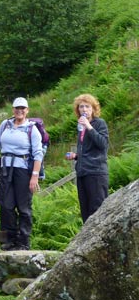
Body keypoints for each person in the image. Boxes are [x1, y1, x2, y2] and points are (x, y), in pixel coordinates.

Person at [0, 97, 43, 251]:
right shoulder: (5, 125)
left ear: (27, 110)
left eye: (23, 108)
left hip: (23, 170)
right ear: (13, 109)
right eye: (17, 108)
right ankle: (9, 239)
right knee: (6, 205)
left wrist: (34, 176)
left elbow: (38, 154)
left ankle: (23, 241)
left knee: (23, 206)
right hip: (5, 169)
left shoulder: (32, 129)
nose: (20, 111)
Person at [65, 93, 109, 223]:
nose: (84, 109)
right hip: (83, 172)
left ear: (93, 109)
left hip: (96, 172)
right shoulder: (81, 128)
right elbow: (89, 150)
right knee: (85, 211)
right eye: (81, 107)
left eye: (87, 107)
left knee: (97, 211)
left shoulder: (99, 123)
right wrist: (76, 156)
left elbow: (103, 145)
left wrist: (89, 127)